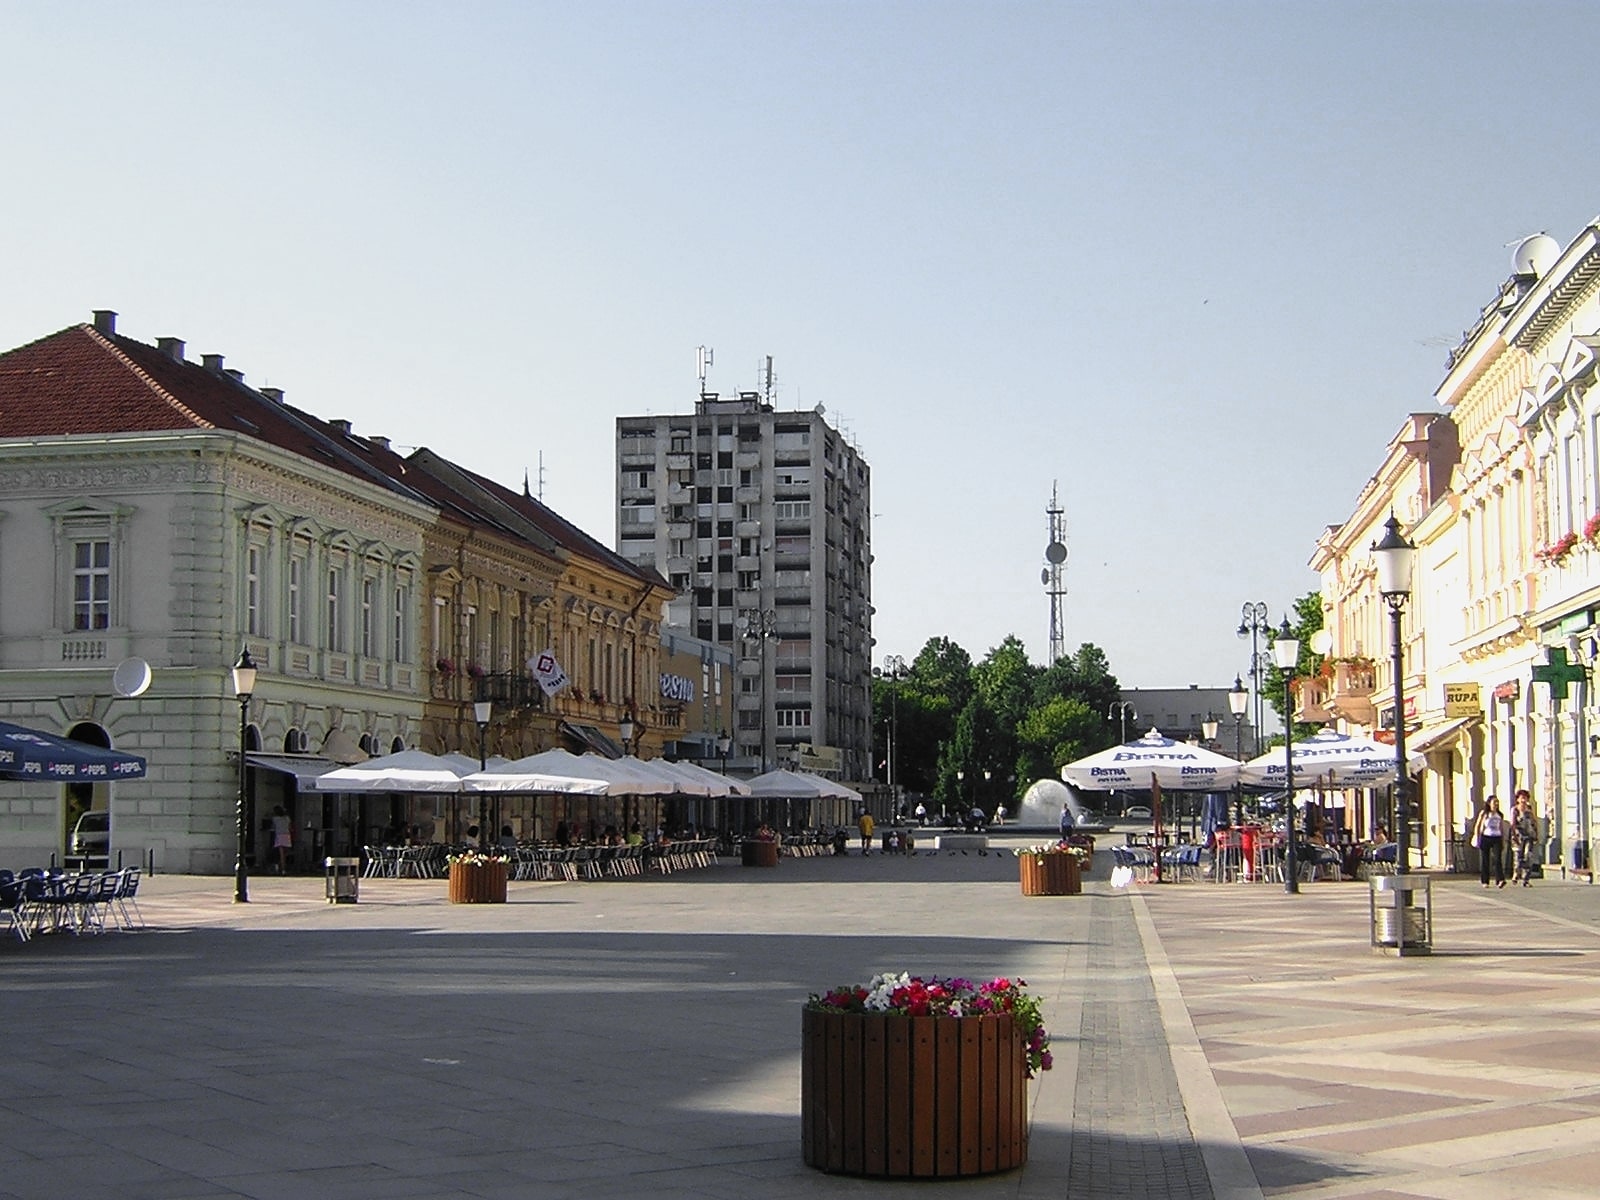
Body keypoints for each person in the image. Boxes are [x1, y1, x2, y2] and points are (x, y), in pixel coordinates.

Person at [1473, 795, 1507, 888]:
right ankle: (1485, 881)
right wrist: (1477, 836)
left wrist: (1503, 839)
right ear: (1489, 803)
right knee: (1485, 859)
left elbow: (1501, 827)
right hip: (1486, 837)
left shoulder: (1499, 814)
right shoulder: (1484, 813)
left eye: (1497, 802)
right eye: (1494, 802)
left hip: (1497, 837)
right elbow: (1478, 825)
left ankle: (1500, 879)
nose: (1496, 804)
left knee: (1497, 859)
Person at [1511, 791, 1540, 887]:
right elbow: (1513, 824)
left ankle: (1526, 879)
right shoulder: (1515, 810)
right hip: (1518, 837)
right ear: (1518, 799)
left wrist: (1536, 834)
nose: (1523, 799)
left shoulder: (1529, 810)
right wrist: (1514, 836)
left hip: (1529, 837)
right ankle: (1516, 874)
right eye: (1521, 797)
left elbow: (1534, 822)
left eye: (1525, 797)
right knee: (1518, 858)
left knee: (1528, 856)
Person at [270, 805, 292, 875]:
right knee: (285, 854)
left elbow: (273, 827)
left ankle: (282, 868)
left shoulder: (275, 819)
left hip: (279, 835)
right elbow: (290, 827)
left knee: (281, 854)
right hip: (287, 835)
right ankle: (282, 867)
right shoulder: (287, 818)